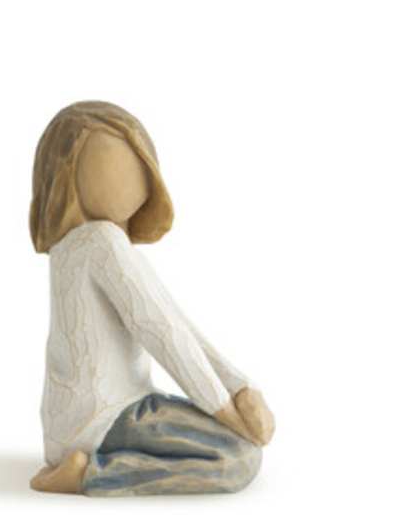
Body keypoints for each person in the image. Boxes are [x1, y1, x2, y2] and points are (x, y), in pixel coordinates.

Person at [28, 101, 274, 496]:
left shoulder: (77, 248)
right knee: (240, 458)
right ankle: (90, 475)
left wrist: (240, 389)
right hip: (106, 420)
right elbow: (162, 332)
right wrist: (226, 411)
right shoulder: (101, 242)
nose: (139, 175)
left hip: (81, 420)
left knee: (238, 448)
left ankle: (82, 466)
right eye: (117, 163)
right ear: (68, 174)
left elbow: (175, 322)